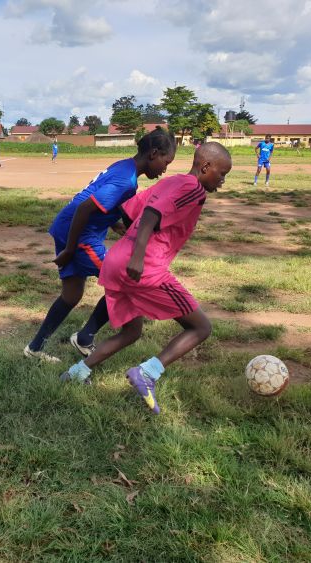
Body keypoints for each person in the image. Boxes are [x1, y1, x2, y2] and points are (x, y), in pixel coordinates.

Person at [59, 143, 233, 415]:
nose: (222, 182)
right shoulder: (194, 189)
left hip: (117, 262)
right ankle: (148, 373)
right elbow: (152, 214)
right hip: (143, 268)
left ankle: (76, 373)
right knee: (200, 327)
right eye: (222, 174)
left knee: (132, 331)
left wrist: (131, 245)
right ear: (205, 167)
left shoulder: (173, 181)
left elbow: (130, 213)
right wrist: (138, 255)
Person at [24, 129, 177, 363]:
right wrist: (70, 249)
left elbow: (98, 203)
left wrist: (115, 225)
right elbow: (85, 208)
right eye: (166, 162)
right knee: (126, 277)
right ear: (154, 154)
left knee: (72, 294)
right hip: (78, 235)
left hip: (67, 226)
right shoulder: (126, 181)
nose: (165, 169)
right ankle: (85, 337)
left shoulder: (125, 167)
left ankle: (35, 349)